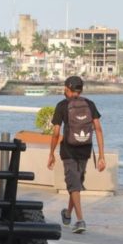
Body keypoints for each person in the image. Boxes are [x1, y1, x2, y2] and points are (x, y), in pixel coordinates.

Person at [47, 76, 106, 234]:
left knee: (74, 186)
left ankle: (80, 220)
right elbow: (98, 129)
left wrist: (51, 153)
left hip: (68, 150)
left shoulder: (62, 105)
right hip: (85, 149)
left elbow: (56, 132)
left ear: (66, 88)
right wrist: (101, 155)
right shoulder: (89, 104)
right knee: (76, 185)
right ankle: (67, 214)